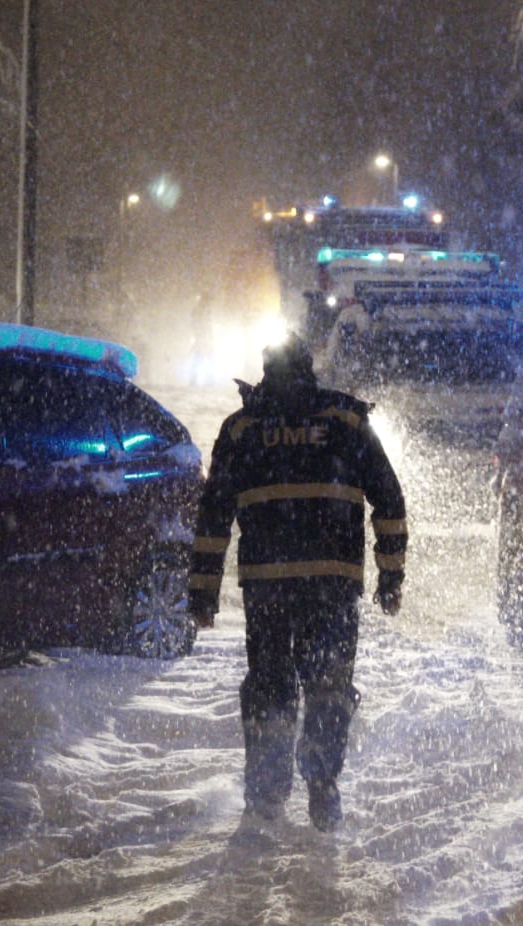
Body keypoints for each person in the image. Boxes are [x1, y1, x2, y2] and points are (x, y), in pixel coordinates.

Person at [190, 332, 406, 831]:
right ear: (310, 370)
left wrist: (202, 593)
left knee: (270, 686)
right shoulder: (347, 421)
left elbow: (212, 517)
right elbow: (390, 502)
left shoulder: (242, 428)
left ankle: (266, 797)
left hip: (267, 587)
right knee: (328, 685)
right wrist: (390, 577)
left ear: (265, 373)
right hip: (333, 585)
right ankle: (322, 786)